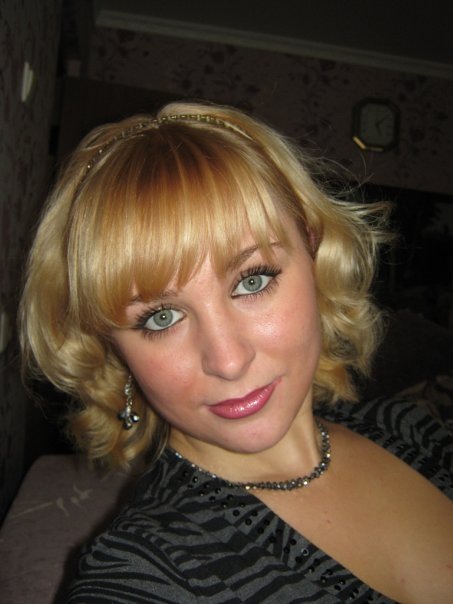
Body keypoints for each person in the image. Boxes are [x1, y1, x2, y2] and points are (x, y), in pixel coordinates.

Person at [20, 101, 452, 603]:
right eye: (161, 317)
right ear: (111, 348)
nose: (227, 361)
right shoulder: (143, 572)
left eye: (252, 281)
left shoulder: (413, 429)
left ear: (313, 251)